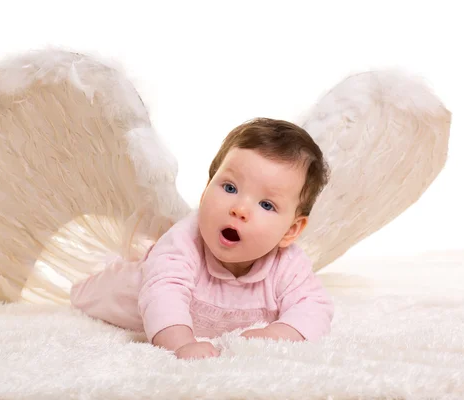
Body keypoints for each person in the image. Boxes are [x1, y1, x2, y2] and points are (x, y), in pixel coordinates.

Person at [70, 117, 334, 360]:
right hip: (122, 295)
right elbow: (163, 295)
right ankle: (91, 282)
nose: (239, 209)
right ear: (206, 189)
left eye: (266, 205)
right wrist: (181, 343)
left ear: (290, 230)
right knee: (88, 293)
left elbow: (315, 306)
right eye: (230, 188)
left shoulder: (289, 264)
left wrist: (278, 335)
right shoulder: (183, 242)